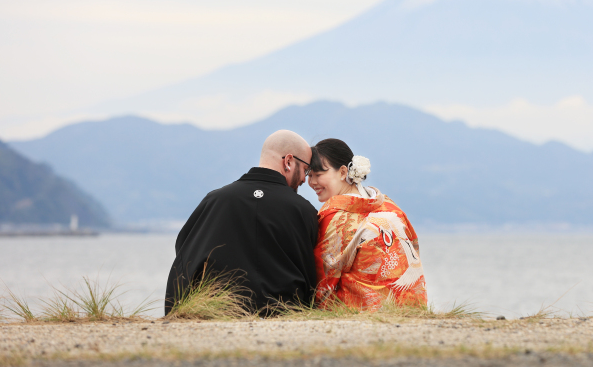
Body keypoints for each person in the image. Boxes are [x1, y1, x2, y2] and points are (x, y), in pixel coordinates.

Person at [164, 130, 318, 316]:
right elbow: (312, 274)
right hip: (284, 317)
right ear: (289, 161)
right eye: (306, 170)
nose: (304, 179)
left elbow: (184, 256)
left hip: (215, 315)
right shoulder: (304, 211)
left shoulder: (214, 201)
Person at [308, 138, 427, 310]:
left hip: (364, 308)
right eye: (309, 175)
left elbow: (324, 277)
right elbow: (413, 248)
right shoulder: (391, 207)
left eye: (318, 175)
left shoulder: (334, 217)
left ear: (343, 172)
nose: (312, 182)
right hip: (411, 303)